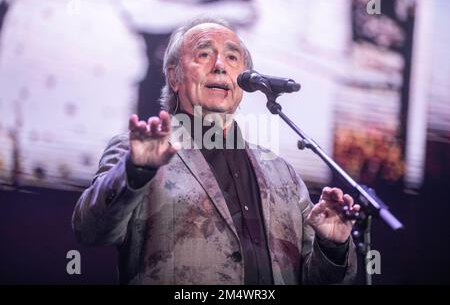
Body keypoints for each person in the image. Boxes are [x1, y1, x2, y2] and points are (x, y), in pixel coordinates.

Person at [72, 16, 360, 285]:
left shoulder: (282, 173)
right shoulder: (135, 153)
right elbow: (90, 230)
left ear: (244, 80)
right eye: (203, 54)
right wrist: (134, 173)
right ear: (174, 77)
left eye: (232, 57)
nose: (220, 65)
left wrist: (333, 246)